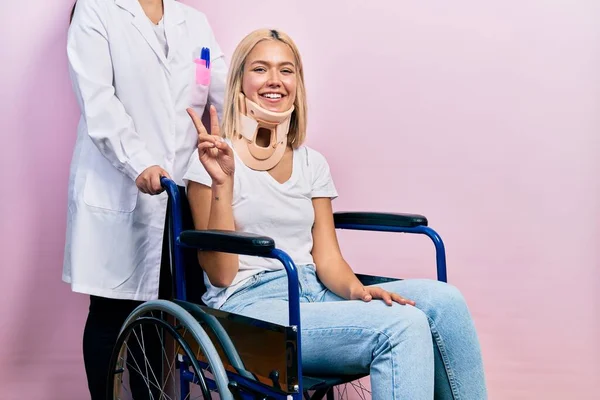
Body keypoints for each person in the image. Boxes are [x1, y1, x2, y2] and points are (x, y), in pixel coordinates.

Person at [183, 28, 488, 399]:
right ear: (239, 83)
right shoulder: (213, 159)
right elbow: (222, 274)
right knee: (402, 327)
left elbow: (327, 257)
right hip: (250, 306)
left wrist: (359, 293)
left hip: (316, 290)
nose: (275, 81)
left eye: (287, 70)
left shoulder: (311, 162)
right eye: (261, 69)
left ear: (298, 81)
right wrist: (223, 183)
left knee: (446, 301)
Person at [63, 0, 227, 398]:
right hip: (119, 183)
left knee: (162, 316)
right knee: (110, 314)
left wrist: (261, 122)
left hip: (179, 197)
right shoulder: (96, 10)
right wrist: (139, 162)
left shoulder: (195, 24)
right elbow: (98, 102)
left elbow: (217, 89)